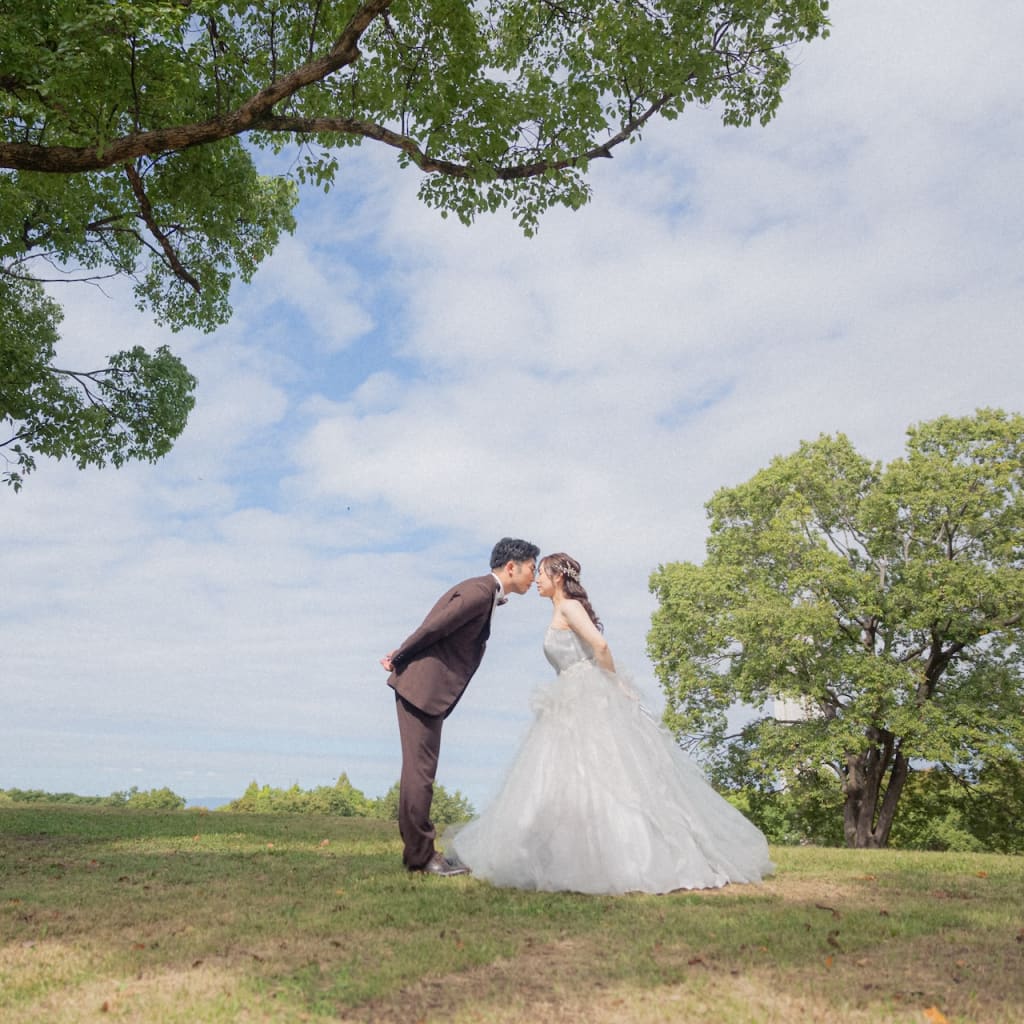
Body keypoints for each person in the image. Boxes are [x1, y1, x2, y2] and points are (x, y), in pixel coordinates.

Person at [446, 552, 774, 894]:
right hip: (567, 697)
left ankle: (627, 857)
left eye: (542, 573)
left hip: (584, 693)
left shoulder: (569, 606)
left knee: (602, 774)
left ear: (558, 577)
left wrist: (614, 683)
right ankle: (558, 853)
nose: (538, 579)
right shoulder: (561, 609)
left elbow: (600, 645)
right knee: (564, 777)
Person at [380, 537, 540, 876]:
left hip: (424, 690)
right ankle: (421, 857)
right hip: (421, 689)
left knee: (420, 772)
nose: (534, 575)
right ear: (511, 567)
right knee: (420, 774)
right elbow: (435, 626)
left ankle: (419, 854)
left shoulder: (484, 594)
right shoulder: (479, 592)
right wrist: (400, 655)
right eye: (531, 568)